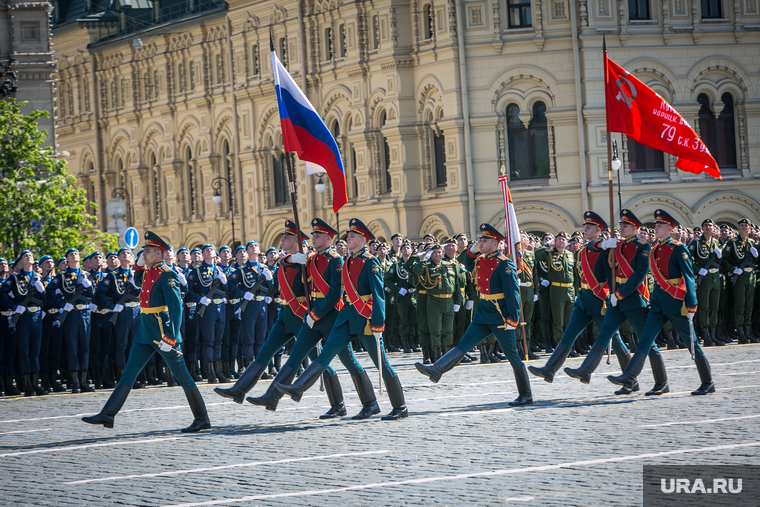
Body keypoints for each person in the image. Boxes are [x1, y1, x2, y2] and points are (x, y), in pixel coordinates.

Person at [275, 218, 409, 420]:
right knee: (326, 354)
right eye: (348, 236)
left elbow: (378, 295)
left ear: (363, 240)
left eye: (353, 236)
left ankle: (400, 406)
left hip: (365, 318)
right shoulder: (347, 261)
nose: (348, 239)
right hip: (346, 317)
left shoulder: (369, 262)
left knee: (381, 363)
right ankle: (299, 387)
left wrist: (378, 323)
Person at [246, 218, 375, 418]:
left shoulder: (336, 260)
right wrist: (289, 260)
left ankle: (368, 403)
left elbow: (334, 294)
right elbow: (284, 261)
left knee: (348, 360)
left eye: (317, 234)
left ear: (327, 237)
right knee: (297, 354)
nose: (312, 237)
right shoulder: (312, 258)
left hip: (330, 316)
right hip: (312, 316)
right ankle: (272, 395)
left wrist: (315, 313)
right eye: (312, 234)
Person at [83, 231, 210, 432]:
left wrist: (171, 335)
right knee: (129, 373)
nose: (145, 254)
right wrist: (140, 263)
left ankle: (202, 417)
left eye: (148, 251)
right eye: (144, 251)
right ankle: (108, 414)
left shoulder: (168, 274)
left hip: (162, 333)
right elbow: (138, 276)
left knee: (182, 375)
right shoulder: (149, 271)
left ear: (159, 253)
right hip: (145, 331)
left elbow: (176, 308)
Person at [415, 223, 532, 406]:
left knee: (512, 355)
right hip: (483, 311)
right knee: (464, 343)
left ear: (495, 243)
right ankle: (437, 369)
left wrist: (513, 317)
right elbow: (466, 262)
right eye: (480, 240)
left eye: (484, 241)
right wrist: (474, 248)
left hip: (500, 315)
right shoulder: (481, 259)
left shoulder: (504, 263)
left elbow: (512, 292)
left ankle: (526, 394)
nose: (481, 243)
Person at [607, 210, 715, 396]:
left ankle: (708, 382)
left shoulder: (679, 248)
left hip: (675, 302)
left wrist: (691, 304)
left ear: (670, 228)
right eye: (655, 225)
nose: (655, 228)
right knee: (646, 339)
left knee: (691, 343)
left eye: (659, 226)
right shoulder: (655, 248)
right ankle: (636, 377)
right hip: (658, 302)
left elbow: (688, 277)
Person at [563, 209, 667, 396]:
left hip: (634, 299)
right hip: (615, 299)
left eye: (625, 225)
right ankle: (586, 369)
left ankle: (662, 382)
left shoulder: (643, 248)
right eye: (620, 224)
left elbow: (638, 276)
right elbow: (606, 270)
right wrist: (612, 291)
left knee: (647, 341)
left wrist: (619, 293)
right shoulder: (616, 246)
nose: (621, 227)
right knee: (604, 335)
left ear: (635, 228)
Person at [528, 211, 631, 383]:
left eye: (589, 227)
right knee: (569, 334)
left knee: (614, 337)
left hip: (598, 299)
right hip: (584, 298)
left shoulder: (603, 247)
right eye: (585, 227)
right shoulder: (585, 248)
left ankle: (629, 376)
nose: (585, 229)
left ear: (598, 230)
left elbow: (599, 249)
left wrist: (607, 245)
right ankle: (550, 369)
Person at [46, 248, 94, 394]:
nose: (74, 255)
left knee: (84, 347)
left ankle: (84, 381)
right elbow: (49, 292)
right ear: (67, 259)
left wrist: (90, 287)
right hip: (71, 314)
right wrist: (62, 305)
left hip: (85, 313)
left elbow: (94, 296)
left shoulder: (86, 275)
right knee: (72, 348)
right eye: (71, 254)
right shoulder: (61, 276)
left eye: (76, 253)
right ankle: (75, 382)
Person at [0, 250, 47, 396]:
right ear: (21, 261)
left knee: (35, 351)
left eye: (31, 256)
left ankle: (35, 383)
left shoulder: (38, 278)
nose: (28, 257)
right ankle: (27, 385)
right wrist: (14, 308)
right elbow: (2, 293)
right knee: (24, 351)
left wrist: (42, 291)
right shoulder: (14, 278)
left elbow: (46, 300)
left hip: (36, 316)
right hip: (23, 317)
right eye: (25, 256)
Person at [186, 244, 229, 383]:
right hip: (207, 308)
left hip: (220, 308)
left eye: (212, 249)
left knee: (219, 341)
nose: (209, 251)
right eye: (206, 250)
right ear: (203, 255)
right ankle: (210, 373)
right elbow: (188, 292)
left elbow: (226, 291)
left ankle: (219, 371)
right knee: (208, 341)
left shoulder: (219, 270)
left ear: (216, 253)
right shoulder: (197, 271)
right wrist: (200, 299)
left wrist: (225, 282)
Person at [723, 218, 758, 343]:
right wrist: (733, 269)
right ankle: (741, 333)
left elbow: (756, 263)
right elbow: (724, 260)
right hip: (740, 276)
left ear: (749, 228)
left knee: (749, 305)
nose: (744, 227)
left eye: (746, 225)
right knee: (740, 305)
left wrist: (756, 257)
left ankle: (748, 332)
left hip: (751, 276)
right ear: (738, 227)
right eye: (742, 225)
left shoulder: (752, 243)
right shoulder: (732, 243)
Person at [690, 219, 724, 346]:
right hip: (704, 277)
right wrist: (698, 270)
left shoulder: (715, 243)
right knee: (704, 306)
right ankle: (706, 336)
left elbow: (721, 263)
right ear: (702, 228)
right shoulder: (696, 243)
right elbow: (689, 259)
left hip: (715, 277)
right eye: (706, 225)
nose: (708, 227)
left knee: (714, 307)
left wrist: (720, 257)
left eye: (710, 225)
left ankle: (713, 334)